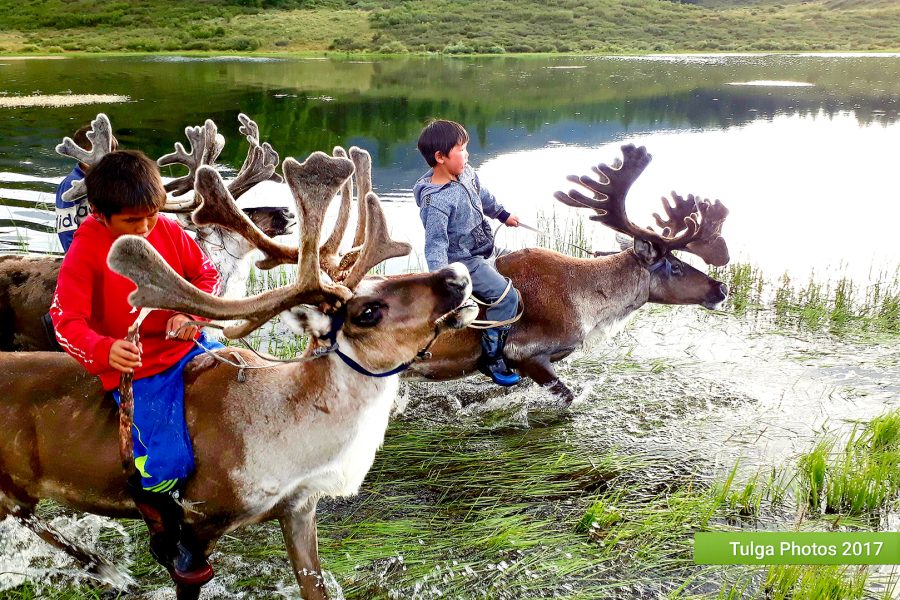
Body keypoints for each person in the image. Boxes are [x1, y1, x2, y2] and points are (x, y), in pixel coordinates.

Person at [50, 150, 222, 586]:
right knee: (164, 460)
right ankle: (169, 535)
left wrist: (193, 315)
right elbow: (65, 320)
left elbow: (205, 277)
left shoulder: (167, 228)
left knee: (240, 384)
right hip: (141, 367)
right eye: (131, 221)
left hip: (191, 344)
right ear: (99, 213)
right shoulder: (87, 248)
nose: (145, 228)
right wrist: (105, 350)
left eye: (151, 215)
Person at [414, 119, 522, 386]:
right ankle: (491, 356)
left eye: (466, 148)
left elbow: (482, 195)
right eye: (460, 149)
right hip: (464, 261)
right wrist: (443, 285)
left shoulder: (467, 173)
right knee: (507, 298)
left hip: (485, 246)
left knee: (522, 267)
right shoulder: (436, 202)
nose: (467, 154)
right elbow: (435, 246)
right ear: (440, 157)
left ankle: (517, 339)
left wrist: (502, 214)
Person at [55, 124, 119, 253]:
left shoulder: (111, 180)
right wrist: (73, 256)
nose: (111, 156)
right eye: (105, 151)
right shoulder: (69, 184)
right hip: (83, 250)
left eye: (113, 151)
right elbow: (66, 229)